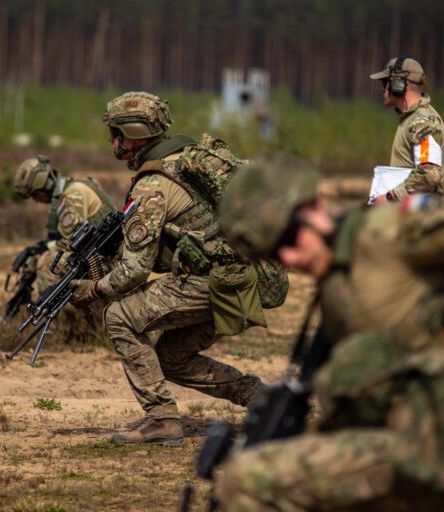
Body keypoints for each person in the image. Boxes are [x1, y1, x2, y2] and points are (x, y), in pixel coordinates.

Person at [216, 155, 444, 511]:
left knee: (249, 480)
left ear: (316, 206)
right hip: (394, 453)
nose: (290, 257)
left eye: (290, 236)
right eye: (274, 253)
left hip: (442, 452)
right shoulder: (333, 291)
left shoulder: (385, 232)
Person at [69, 91, 288, 447]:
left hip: (213, 281)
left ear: (134, 134)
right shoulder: (184, 159)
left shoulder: (152, 186)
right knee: (170, 358)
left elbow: (136, 270)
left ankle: (162, 421)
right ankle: (265, 401)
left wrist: (94, 289)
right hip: (238, 279)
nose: (111, 141)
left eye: (115, 134)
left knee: (119, 316)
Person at [11, 155, 117, 293]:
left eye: (35, 195)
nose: (36, 201)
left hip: (107, 260)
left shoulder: (71, 196)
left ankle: (54, 312)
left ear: (44, 187)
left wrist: (44, 249)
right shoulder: (77, 185)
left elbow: (73, 243)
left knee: (46, 262)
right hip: (109, 253)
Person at [370, 56, 444, 203]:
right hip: (410, 214)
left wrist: (391, 196)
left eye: (385, 82)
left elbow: (429, 175)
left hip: (420, 217)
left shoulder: (422, 123)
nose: (382, 88)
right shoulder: (412, 120)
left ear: (398, 84)